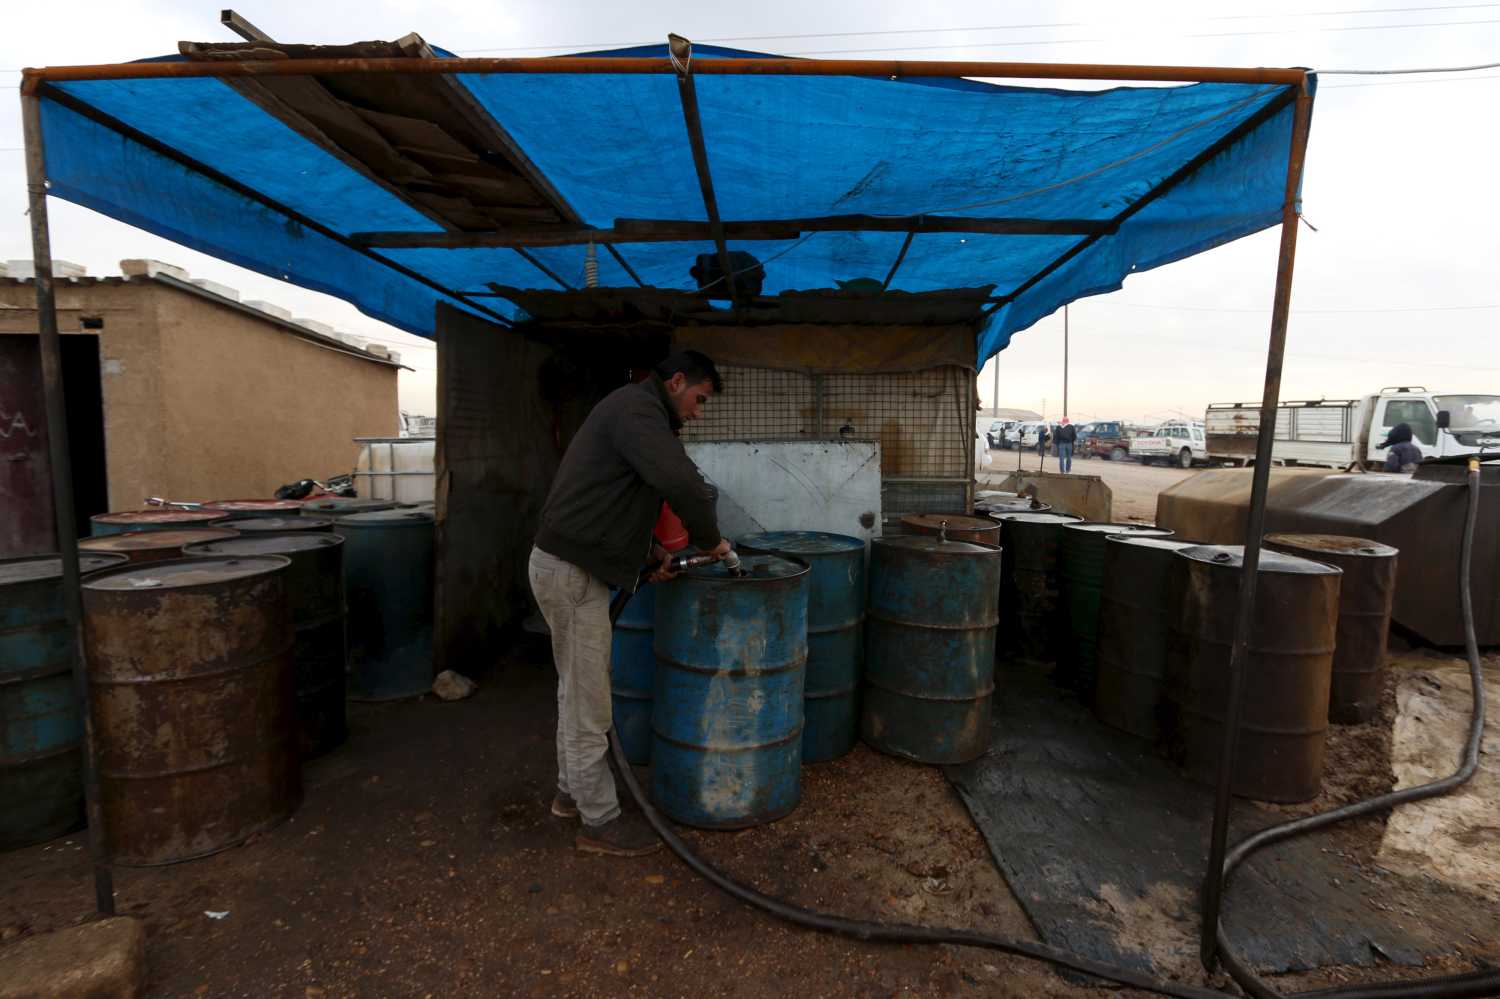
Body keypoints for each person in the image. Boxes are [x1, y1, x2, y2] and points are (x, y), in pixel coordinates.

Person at [528, 350, 732, 857]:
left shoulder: (631, 411)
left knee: (574, 692)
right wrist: (713, 543)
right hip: (571, 575)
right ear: (677, 381)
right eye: (699, 399)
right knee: (589, 703)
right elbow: (684, 484)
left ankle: (570, 795)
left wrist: (651, 556)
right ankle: (600, 822)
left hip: (568, 565)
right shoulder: (638, 412)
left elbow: (608, 505)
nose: (698, 412)